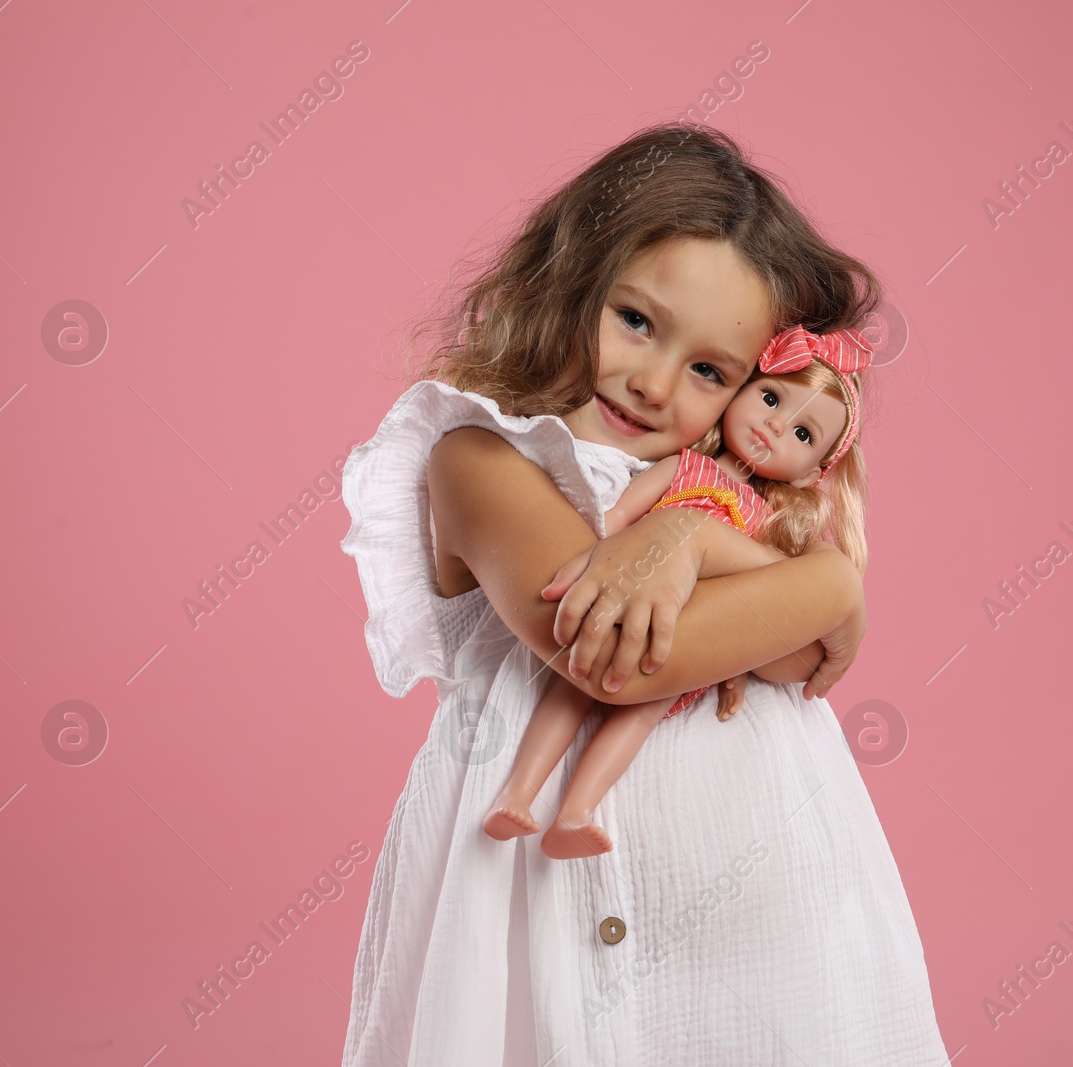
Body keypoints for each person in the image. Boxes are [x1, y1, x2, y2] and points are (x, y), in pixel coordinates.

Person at [339, 122, 952, 1065]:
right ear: (573, 284)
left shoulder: (727, 501)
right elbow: (611, 658)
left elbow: (797, 659)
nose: (656, 382)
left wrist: (692, 534)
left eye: (712, 370)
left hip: (755, 935)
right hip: (525, 924)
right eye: (635, 321)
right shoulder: (479, 460)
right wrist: (825, 580)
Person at [483, 323, 879, 860]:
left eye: (804, 435)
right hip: (618, 599)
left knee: (640, 709)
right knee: (573, 682)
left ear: (813, 475)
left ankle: (576, 812)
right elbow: (616, 515)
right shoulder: (685, 467)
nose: (775, 426)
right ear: (738, 392)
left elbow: (756, 609)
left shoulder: (767, 527)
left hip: (683, 640)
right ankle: (517, 795)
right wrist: (590, 554)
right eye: (770, 398)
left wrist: (732, 660)